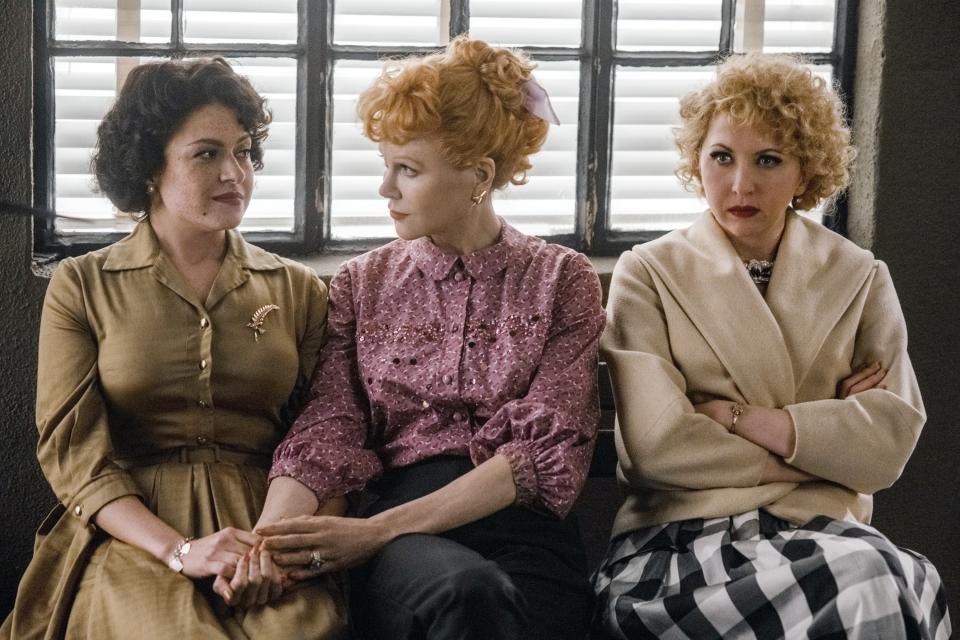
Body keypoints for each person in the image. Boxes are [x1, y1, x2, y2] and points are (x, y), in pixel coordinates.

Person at [252, 36, 605, 640]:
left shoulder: (563, 279)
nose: (385, 189)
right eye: (385, 166)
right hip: (408, 549)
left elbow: (540, 457)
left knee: (511, 607)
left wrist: (374, 532)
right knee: (468, 595)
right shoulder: (362, 284)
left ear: (479, 176)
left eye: (407, 170)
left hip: (523, 535)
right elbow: (328, 428)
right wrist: (268, 542)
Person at [594, 53, 952, 639]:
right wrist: (823, 444)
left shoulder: (859, 276)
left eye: (768, 160)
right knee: (871, 579)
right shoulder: (650, 272)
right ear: (696, 162)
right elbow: (658, 447)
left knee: (898, 576)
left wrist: (738, 418)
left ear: (805, 172)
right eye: (721, 158)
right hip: (679, 541)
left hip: (825, 530)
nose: (741, 184)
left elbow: (886, 446)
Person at [1, 58, 346, 639]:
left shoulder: (297, 289)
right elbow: (74, 455)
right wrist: (180, 550)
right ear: (149, 169)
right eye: (206, 154)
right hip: (132, 530)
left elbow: (328, 437)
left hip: (266, 528)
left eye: (243, 152)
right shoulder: (84, 284)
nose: (234, 173)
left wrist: (280, 555)